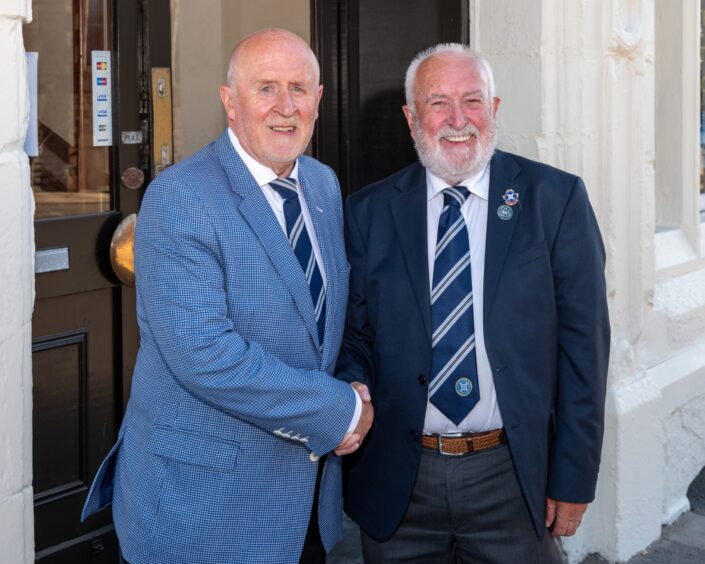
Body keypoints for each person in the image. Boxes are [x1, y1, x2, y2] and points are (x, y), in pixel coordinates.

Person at [81, 28, 372, 564]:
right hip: (200, 508)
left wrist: (353, 382)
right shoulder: (180, 197)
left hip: (302, 506)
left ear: (320, 99)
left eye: (299, 88)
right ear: (229, 102)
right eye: (265, 88)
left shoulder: (324, 185)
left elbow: (325, 322)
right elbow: (205, 355)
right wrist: (340, 411)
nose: (285, 107)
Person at [336, 43, 610, 563]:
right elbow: (355, 333)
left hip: (512, 477)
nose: (458, 120)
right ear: (411, 117)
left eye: (473, 101)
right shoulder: (368, 212)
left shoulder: (555, 200)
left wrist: (574, 476)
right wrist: (352, 389)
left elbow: (584, 352)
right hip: (401, 479)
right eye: (438, 103)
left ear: (495, 108)